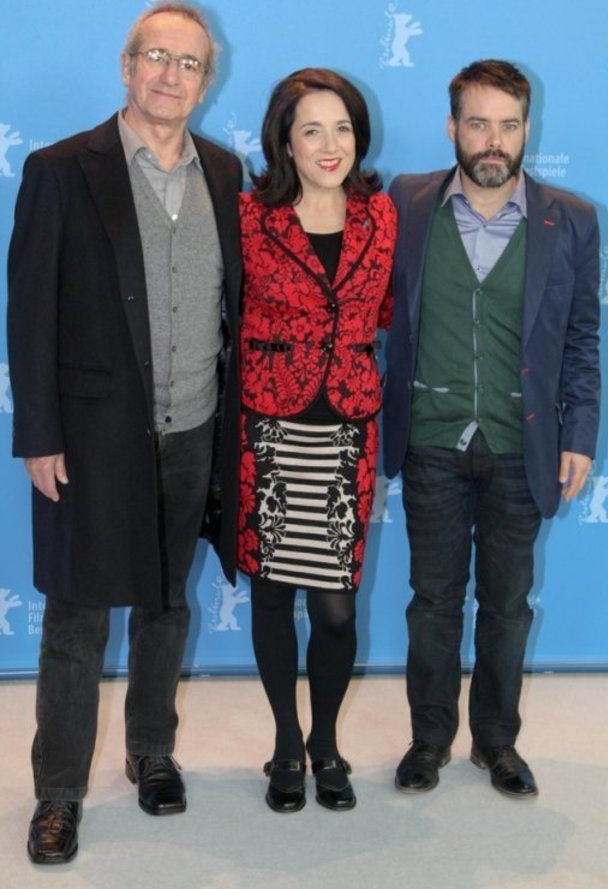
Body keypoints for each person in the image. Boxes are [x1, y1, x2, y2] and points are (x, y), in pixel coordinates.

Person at [7, 0, 242, 863]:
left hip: (194, 430)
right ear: (127, 65)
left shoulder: (226, 173)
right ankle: (58, 791)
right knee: (76, 618)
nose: (171, 75)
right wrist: (39, 434)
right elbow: (29, 313)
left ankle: (151, 750)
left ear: (205, 81)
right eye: (157, 57)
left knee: (166, 602)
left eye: (189, 63)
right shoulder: (61, 170)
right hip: (91, 436)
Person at [383, 60, 600, 799]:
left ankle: (497, 740)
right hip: (432, 439)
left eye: (508, 125)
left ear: (527, 129)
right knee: (433, 601)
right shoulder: (406, 202)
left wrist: (580, 433)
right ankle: (429, 738)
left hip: (520, 444)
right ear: (452, 127)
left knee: (507, 605)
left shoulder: (571, 218)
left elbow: (581, 338)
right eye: (478, 123)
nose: (493, 140)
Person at [237, 68, 396, 812]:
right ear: (285, 142)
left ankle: (325, 741)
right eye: (312, 130)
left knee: (335, 608)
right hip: (269, 425)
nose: (330, 145)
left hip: (348, 429)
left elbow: (388, 308)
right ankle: (284, 743)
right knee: (272, 595)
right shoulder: (249, 217)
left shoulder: (382, 215)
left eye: (343, 128)